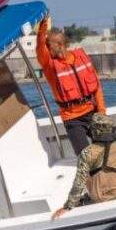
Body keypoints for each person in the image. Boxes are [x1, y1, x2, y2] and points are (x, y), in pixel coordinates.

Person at [35, 16, 106, 155]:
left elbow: (96, 87)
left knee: (109, 149)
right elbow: (39, 47)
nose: (47, 48)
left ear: (60, 44)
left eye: (49, 45)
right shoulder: (49, 65)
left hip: (92, 112)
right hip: (72, 118)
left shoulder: (81, 58)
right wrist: (42, 28)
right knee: (85, 156)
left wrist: (102, 112)